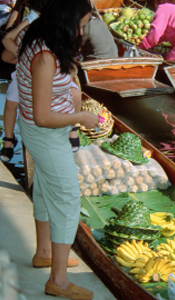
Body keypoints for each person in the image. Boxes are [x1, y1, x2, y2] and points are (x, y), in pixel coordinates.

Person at [15, 0, 100, 298]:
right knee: (66, 200)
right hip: (46, 134)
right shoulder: (45, 56)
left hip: (39, 133)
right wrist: (81, 117)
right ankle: (59, 281)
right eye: (79, 25)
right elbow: (43, 116)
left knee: (44, 189)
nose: (81, 31)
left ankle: (44, 251)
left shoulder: (39, 37)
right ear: (64, 21)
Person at [0, 0, 52, 162]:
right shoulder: (31, 18)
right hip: (27, 70)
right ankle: (9, 139)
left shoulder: (56, 20)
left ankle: (71, 129)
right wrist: (25, 56)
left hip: (46, 70)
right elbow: (7, 39)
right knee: (10, 103)